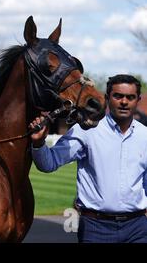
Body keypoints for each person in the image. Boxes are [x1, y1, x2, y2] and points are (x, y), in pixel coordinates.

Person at [30, 74, 147, 243]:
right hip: (96, 228)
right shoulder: (86, 130)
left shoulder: (145, 135)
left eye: (130, 97)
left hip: (137, 228)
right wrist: (39, 143)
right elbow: (49, 163)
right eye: (118, 96)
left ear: (138, 100)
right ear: (107, 98)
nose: (124, 101)